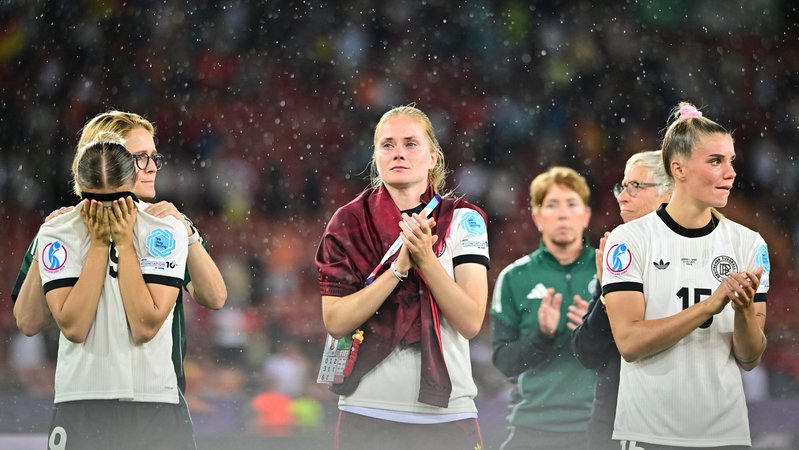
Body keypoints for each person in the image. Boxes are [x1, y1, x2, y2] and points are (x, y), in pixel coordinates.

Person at [12, 111, 227, 397]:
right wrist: (46, 239)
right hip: (88, 395)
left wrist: (188, 232)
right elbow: (28, 321)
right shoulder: (60, 229)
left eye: (154, 157)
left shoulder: (165, 227)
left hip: (157, 393)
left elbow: (214, 297)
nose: (152, 168)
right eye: (140, 158)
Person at [315, 105, 490, 450]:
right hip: (366, 409)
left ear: (433, 157)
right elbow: (335, 321)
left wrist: (426, 260)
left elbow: (470, 321)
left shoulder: (464, 219)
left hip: (448, 414)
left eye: (411, 144)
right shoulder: (348, 221)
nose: (398, 153)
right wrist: (397, 270)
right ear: (376, 156)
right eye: (388, 145)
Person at [602, 102, 769, 449]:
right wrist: (708, 307)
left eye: (731, 161)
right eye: (715, 161)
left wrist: (743, 312)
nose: (730, 172)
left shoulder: (749, 244)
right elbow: (630, 343)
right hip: (651, 434)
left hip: (726, 435)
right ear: (678, 169)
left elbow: (750, 358)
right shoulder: (629, 240)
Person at [39, 138, 193, 449]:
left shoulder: (164, 230)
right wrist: (99, 245)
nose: (108, 209)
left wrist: (124, 244)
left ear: (133, 182)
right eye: (96, 201)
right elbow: (74, 327)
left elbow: (145, 325)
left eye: (119, 199)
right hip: (80, 397)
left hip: (151, 399)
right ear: (80, 188)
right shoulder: (57, 232)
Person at [571, 150, 673, 450]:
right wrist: (607, 293)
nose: (622, 197)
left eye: (635, 187)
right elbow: (586, 352)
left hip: (672, 420)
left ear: (669, 193)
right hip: (613, 420)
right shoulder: (617, 255)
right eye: (622, 187)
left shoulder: (695, 254)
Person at [491, 166, 597, 450]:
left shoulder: (611, 271)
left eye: (572, 204)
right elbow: (504, 362)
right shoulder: (514, 277)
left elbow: (634, 352)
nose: (562, 214)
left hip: (599, 426)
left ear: (586, 215)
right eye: (552, 205)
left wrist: (595, 332)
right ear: (537, 217)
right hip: (532, 427)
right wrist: (541, 336)